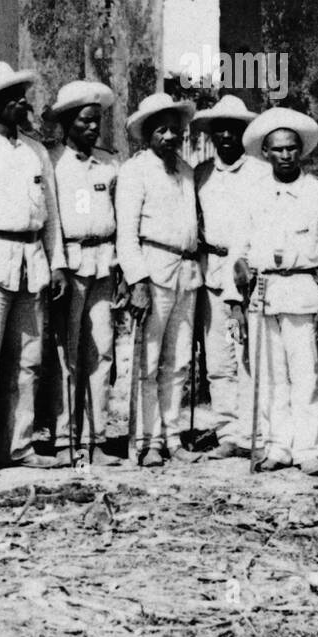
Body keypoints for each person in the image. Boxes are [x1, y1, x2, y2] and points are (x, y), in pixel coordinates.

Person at [0, 61, 67, 473]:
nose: (23, 103)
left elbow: (52, 215)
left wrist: (57, 264)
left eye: (23, 95)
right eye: (14, 97)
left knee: (28, 359)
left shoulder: (36, 151)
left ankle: (18, 445)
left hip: (32, 260)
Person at [228, 107, 318, 476]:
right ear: (265, 153)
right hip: (264, 291)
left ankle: (309, 448)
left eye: (292, 148)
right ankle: (277, 446)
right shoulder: (251, 193)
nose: (286, 155)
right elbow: (238, 248)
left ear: (301, 150)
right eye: (277, 149)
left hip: (303, 289)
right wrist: (237, 289)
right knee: (270, 374)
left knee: (305, 373)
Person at [115, 92, 204, 467]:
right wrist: (137, 281)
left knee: (180, 359)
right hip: (153, 272)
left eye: (175, 130)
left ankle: (172, 435)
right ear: (148, 133)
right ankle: (146, 440)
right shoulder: (134, 171)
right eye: (161, 130)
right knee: (148, 361)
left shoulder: (185, 170)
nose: (169, 137)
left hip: (187, 272)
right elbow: (126, 233)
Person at [45, 79, 123, 466]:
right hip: (71, 263)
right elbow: (52, 221)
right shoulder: (53, 163)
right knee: (67, 353)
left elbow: (120, 217)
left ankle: (98, 438)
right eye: (85, 121)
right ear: (67, 122)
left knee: (102, 352)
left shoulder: (110, 164)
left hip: (104, 262)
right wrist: (57, 264)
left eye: (97, 121)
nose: (93, 128)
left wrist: (122, 264)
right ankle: (65, 439)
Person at [193, 95, 263, 459]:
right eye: (219, 129)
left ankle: (253, 432)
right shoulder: (201, 174)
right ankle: (227, 432)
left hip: (247, 273)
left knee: (248, 353)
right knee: (218, 359)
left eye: (233, 129)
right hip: (210, 270)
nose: (226, 136)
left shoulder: (260, 172)